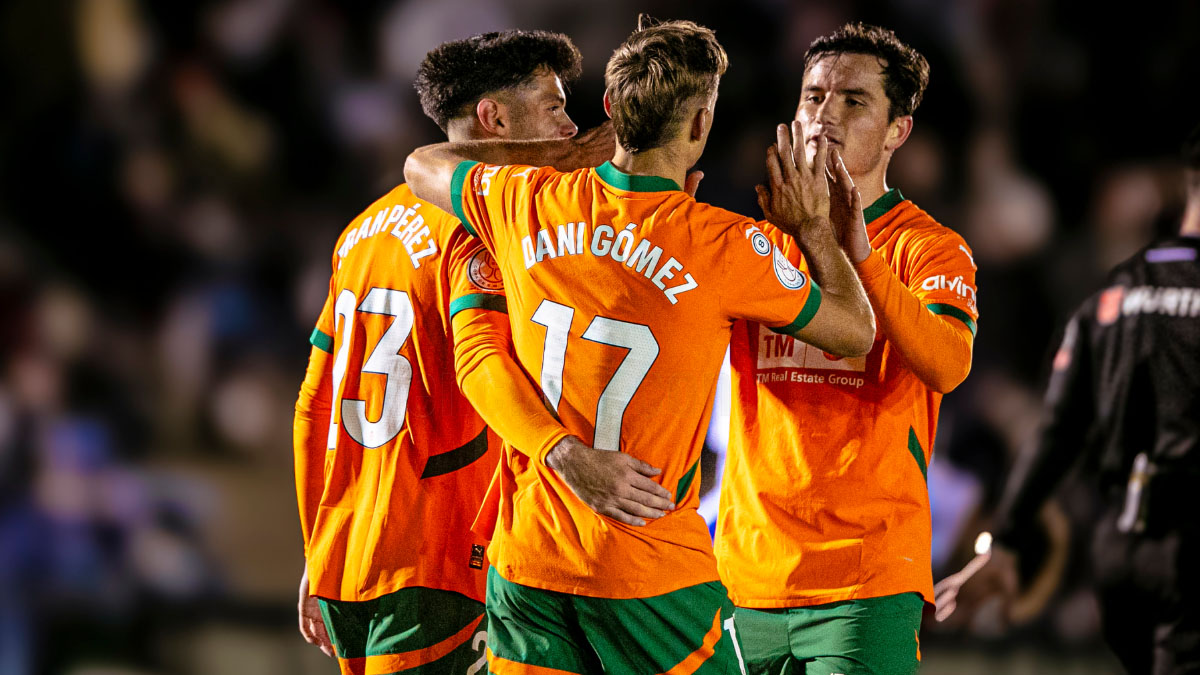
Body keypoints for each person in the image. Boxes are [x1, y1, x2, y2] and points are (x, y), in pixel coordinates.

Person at [404, 16, 875, 674]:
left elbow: (421, 163)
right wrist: (817, 232)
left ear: (608, 109)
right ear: (699, 126)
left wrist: (557, 160)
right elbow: (857, 329)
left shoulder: (526, 199)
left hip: (530, 561)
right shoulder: (725, 243)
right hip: (648, 569)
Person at [292, 30, 593, 675]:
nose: (570, 126)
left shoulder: (362, 229)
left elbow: (312, 408)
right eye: (553, 106)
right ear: (494, 118)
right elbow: (481, 363)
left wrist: (318, 549)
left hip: (352, 553)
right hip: (441, 550)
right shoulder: (480, 226)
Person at [716, 23, 979, 675]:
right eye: (812, 97)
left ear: (898, 131)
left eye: (853, 100)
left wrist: (856, 249)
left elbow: (948, 362)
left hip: (865, 580)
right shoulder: (751, 243)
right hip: (745, 574)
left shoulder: (929, 249)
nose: (825, 112)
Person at [936, 123, 1200, 674]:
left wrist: (1005, 543)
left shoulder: (1113, 295)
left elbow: (1058, 429)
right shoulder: (1081, 283)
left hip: (1128, 541)